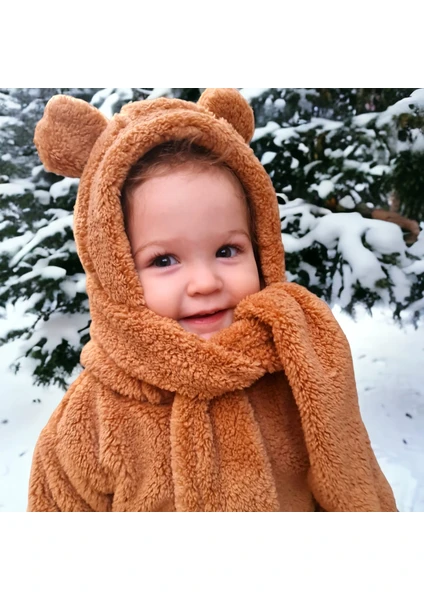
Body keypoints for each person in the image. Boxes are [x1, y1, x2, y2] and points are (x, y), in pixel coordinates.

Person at [28, 88, 397, 511]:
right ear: (116, 271)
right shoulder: (87, 423)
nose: (204, 283)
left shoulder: (300, 372)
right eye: (164, 260)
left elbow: (352, 479)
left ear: (261, 246)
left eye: (227, 250)